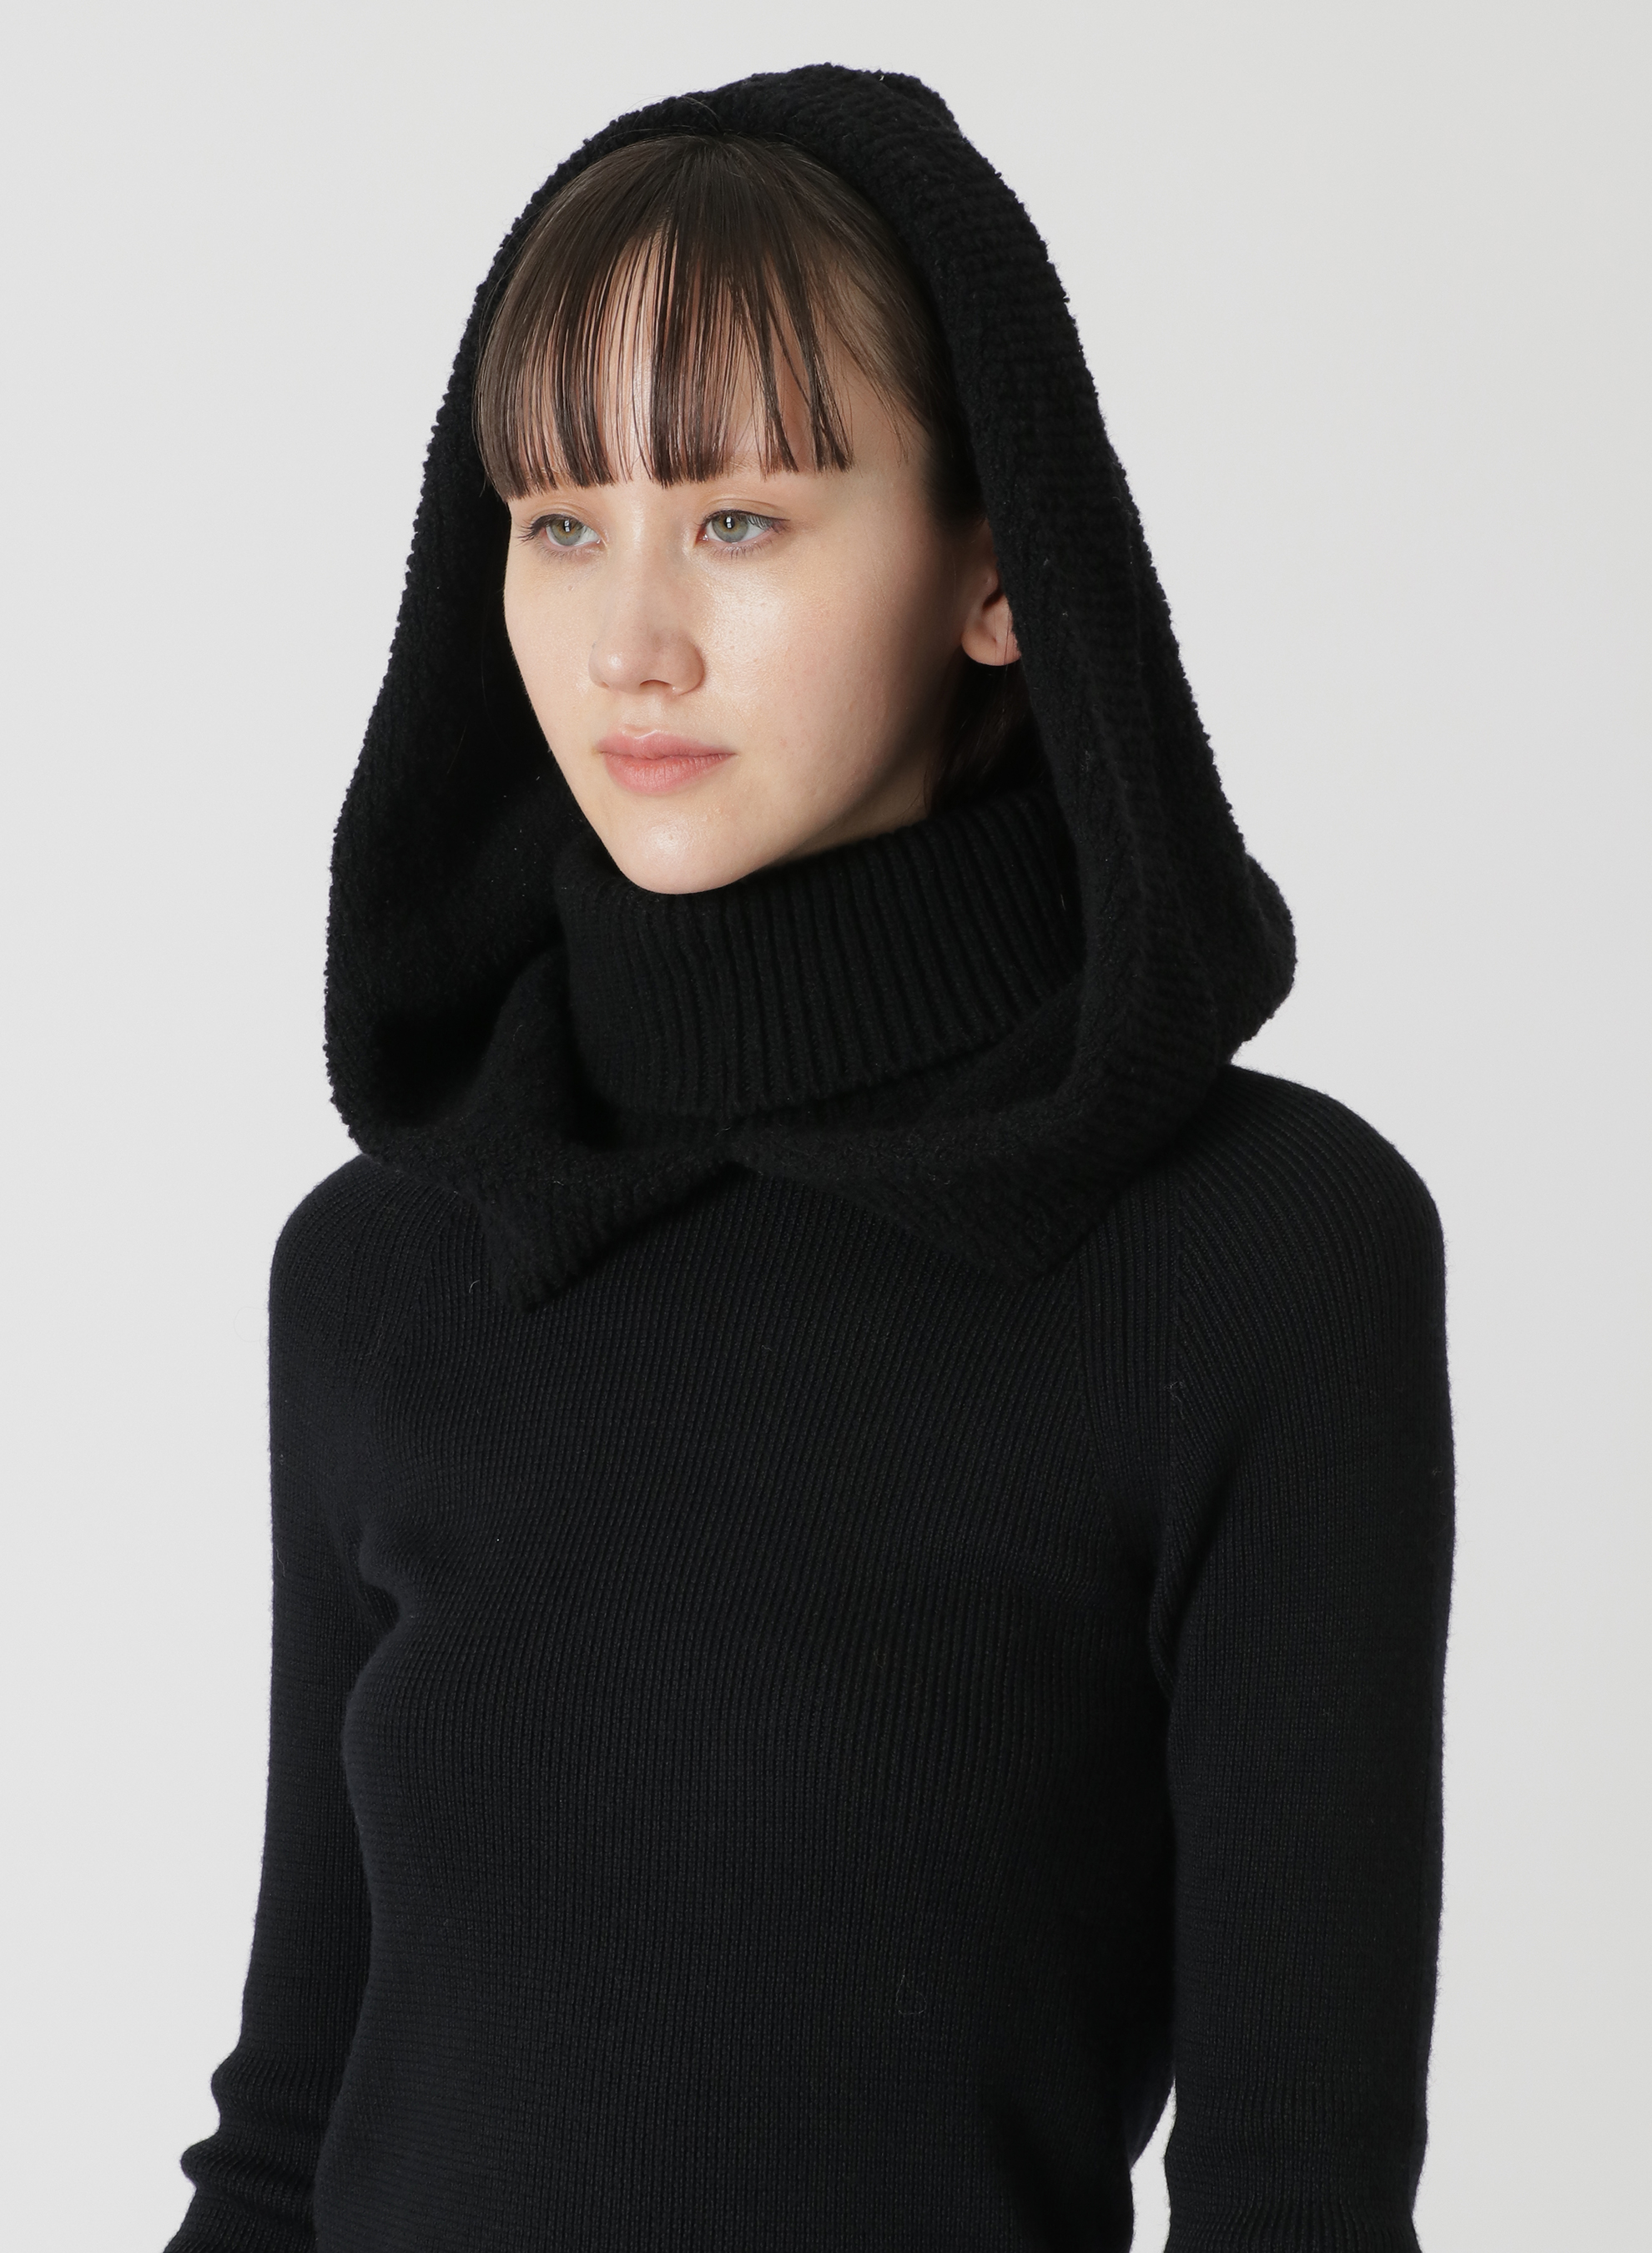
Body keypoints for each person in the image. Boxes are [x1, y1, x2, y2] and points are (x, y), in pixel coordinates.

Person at [165, 63, 1454, 2253]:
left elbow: (1295, 2193)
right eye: (559, 521)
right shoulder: (388, 1262)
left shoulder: (1256, 1253)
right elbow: (292, 2130)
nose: (628, 641)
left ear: (997, 569)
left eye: (739, 519)